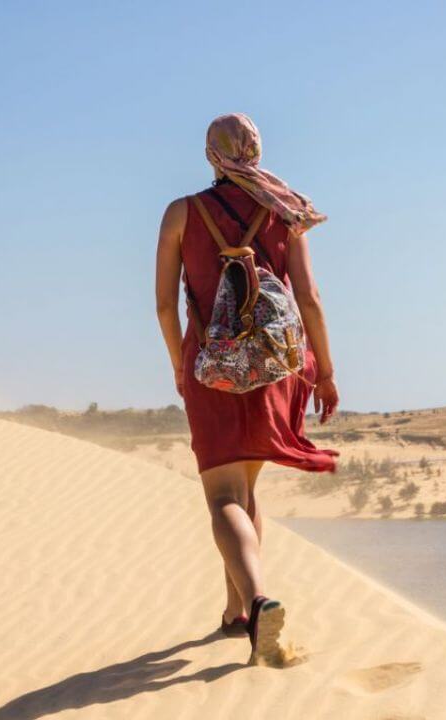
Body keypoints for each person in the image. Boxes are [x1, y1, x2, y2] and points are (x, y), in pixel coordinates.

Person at [154, 113, 339, 663]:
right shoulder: (286, 212)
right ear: (255, 151)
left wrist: (178, 365)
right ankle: (235, 612)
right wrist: (325, 372)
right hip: (278, 369)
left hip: (211, 368)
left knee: (223, 497)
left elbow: (165, 303)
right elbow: (308, 300)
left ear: (212, 154)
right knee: (248, 491)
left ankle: (256, 601)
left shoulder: (181, 213)